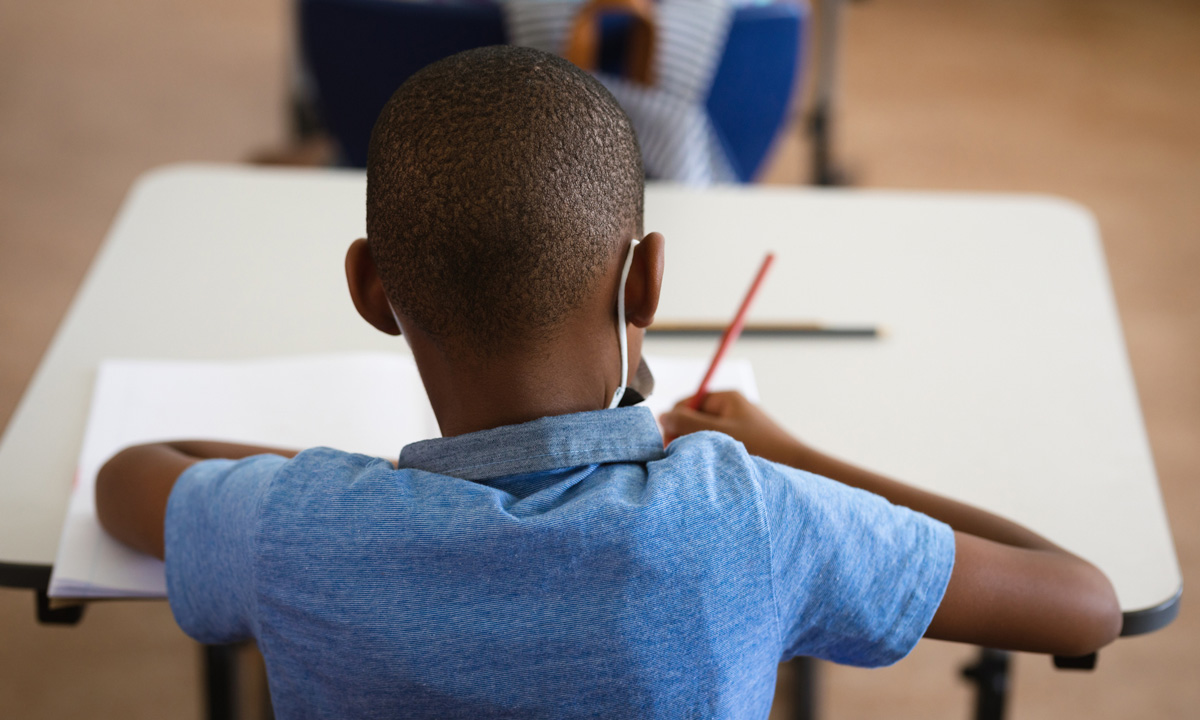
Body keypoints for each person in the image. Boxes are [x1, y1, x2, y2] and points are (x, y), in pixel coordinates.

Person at [94, 46, 1120, 719]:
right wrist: (795, 456)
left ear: (370, 289)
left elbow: (130, 477)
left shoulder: (297, 526)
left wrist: (345, 485)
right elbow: (1085, 603)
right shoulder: (757, 516)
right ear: (650, 281)